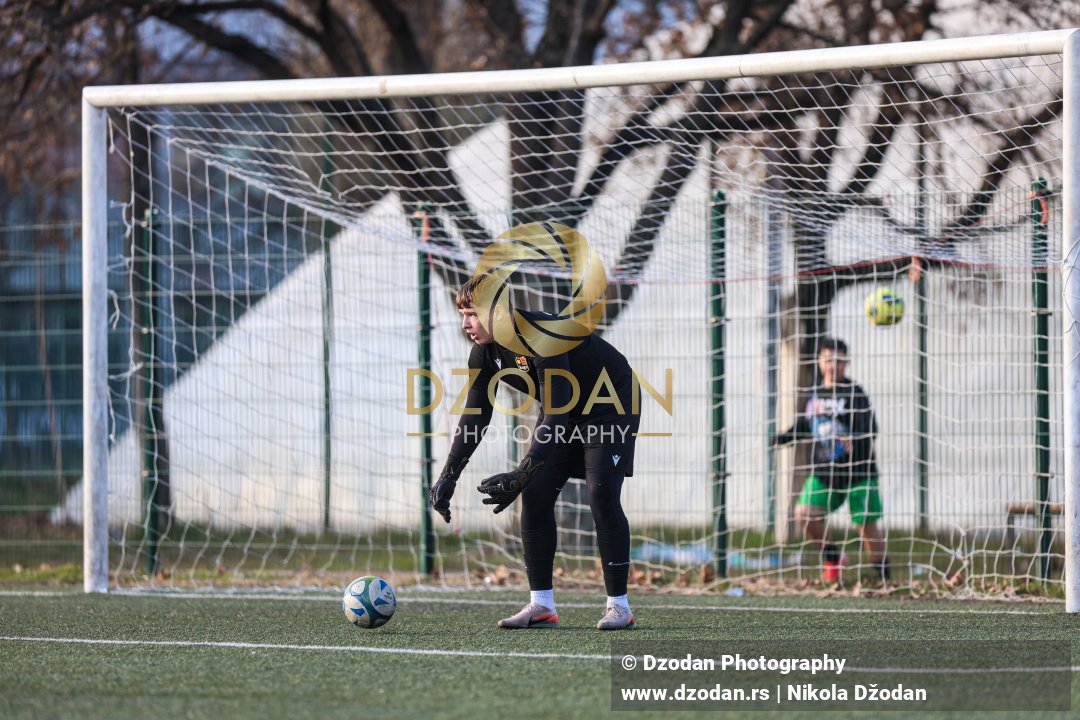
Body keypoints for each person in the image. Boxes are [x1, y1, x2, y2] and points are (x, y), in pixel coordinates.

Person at [428, 275, 640, 630]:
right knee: (536, 494)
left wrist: (519, 473)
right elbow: (476, 413)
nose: (465, 323)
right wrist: (449, 474)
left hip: (611, 404)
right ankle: (541, 605)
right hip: (565, 410)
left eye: (471, 314)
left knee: (601, 494)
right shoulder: (484, 350)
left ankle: (620, 607)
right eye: (462, 314)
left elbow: (556, 415)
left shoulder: (544, 337)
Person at [773, 337, 889, 585]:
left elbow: (872, 429)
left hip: (858, 472)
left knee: (865, 525)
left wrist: (853, 438)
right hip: (825, 474)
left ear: (846, 363)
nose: (832, 365)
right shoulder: (814, 394)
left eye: (838, 360)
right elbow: (807, 425)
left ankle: (883, 574)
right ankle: (833, 557)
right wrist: (782, 438)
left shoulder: (855, 393)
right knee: (804, 513)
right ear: (819, 362)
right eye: (827, 360)